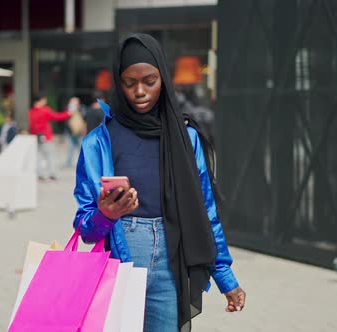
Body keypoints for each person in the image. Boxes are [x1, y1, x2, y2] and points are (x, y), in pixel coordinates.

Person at [72, 34, 246, 332]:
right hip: (121, 260)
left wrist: (225, 277)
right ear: (118, 82)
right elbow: (84, 229)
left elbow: (205, 212)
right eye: (129, 82)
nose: (139, 91)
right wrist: (106, 214)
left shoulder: (185, 137)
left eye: (149, 81)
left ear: (163, 79)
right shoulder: (98, 142)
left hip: (171, 262)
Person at [28, 94, 74, 181]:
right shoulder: (44, 110)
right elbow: (57, 117)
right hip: (46, 136)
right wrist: (68, 113)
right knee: (50, 155)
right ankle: (52, 174)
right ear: (41, 100)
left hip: (35, 136)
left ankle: (39, 174)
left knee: (38, 156)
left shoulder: (31, 112)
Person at [64, 97, 86, 168]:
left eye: (75, 103)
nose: (73, 104)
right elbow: (65, 119)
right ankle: (69, 162)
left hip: (79, 132)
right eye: (72, 103)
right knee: (71, 148)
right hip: (70, 132)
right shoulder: (68, 110)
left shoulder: (82, 109)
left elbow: (84, 120)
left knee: (81, 148)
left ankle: (84, 162)